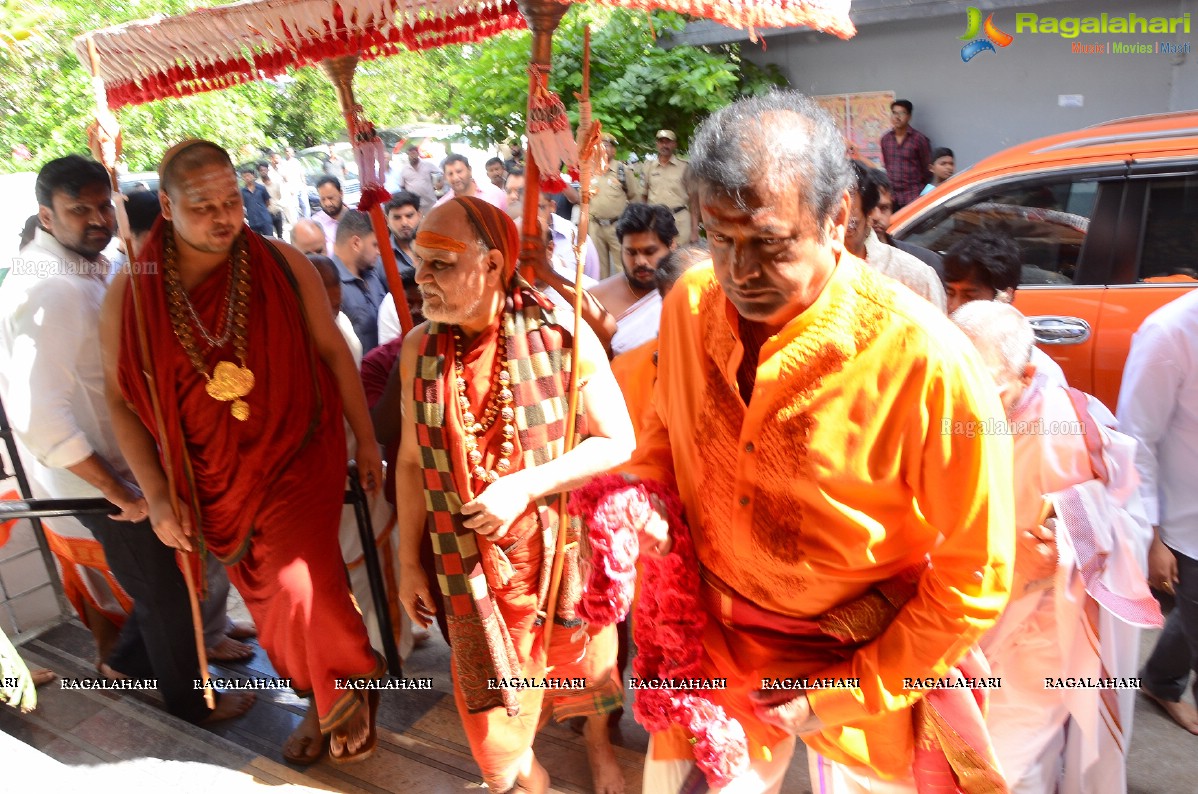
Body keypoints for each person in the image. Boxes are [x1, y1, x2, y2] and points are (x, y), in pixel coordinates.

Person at [614, 92, 1014, 792]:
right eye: (719, 238)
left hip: (864, 656)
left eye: (769, 243)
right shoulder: (688, 306)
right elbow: (662, 437)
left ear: (837, 221)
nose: (739, 272)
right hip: (709, 640)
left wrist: (848, 692)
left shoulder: (925, 360)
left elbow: (973, 578)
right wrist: (638, 506)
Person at [100, 140, 384, 764]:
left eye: (231, 200)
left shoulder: (280, 261)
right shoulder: (135, 291)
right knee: (269, 601)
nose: (224, 216)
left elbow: (335, 354)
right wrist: (158, 495)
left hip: (298, 446)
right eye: (203, 206)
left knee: (297, 581)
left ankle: (333, 695)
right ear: (169, 209)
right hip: (211, 474)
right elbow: (122, 402)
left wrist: (364, 439)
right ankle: (334, 679)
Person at [0, 154, 254, 724]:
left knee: (161, 571)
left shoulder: (85, 265)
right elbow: (38, 417)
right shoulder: (51, 290)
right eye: (78, 210)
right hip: (97, 476)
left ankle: (125, 664)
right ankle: (191, 704)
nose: (96, 220)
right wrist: (119, 490)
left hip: (124, 463)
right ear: (45, 215)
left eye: (101, 206)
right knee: (163, 585)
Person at [395, 196, 635, 794]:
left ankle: (599, 749)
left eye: (440, 265)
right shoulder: (420, 350)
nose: (420, 278)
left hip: (556, 554)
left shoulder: (562, 335)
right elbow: (408, 461)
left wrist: (523, 487)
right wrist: (405, 561)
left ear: (494, 263)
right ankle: (529, 778)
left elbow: (618, 442)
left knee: (584, 665)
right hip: (467, 566)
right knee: (492, 719)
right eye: (417, 261)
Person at [954, 301, 1159, 794]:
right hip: (959, 617)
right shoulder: (946, 405)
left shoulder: (1071, 429)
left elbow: (1126, 515)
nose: (970, 402)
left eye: (988, 389)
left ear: (1025, 375)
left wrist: (1068, 539)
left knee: (1008, 767)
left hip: (1042, 624)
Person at [1117, 287, 1198, 735]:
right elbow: (1137, 438)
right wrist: (1153, 534)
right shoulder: (1170, 332)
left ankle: (1161, 681)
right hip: (1185, 524)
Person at [943, 229, 1067, 386]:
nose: (954, 306)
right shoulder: (935, 350)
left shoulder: (1043, 375)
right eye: (950, 293)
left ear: (1004, 296)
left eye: (969, 296)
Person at [844, 161, 945, 311]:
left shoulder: (913, 277)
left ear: (870, 213)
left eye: (848, 226)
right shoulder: (806, 277)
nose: (835, 235)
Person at [590, 203, 678, 356]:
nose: (640, 261)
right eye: (631, 252)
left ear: (671, 246)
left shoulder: (689, 288)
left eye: (650, 251)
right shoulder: (596, 299)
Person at [505, 169, 600, 282]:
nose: (533, 215)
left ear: (552, 207)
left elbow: (591, 283)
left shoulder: (577, 238)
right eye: (526, 209)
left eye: (539, 207)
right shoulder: (509, 236)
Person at [866, 168, 943, 276]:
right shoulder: (839, 264)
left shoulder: (926, 262)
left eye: (884, 208)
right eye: (869, 208)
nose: (876, 216)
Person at [330, 209, 388, 354]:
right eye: (375, 245)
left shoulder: (372, 274)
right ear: (356, 243)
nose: (379, 252)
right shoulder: (330, 285)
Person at [588, 133, 641, 279]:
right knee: (598, 267)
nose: (603, 149)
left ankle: (625, 296)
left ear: (614, 151)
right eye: (600, 146)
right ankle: (601, 299)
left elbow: (634, 198)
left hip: (617, 225)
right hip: (595, 226)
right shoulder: (589, 170)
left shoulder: (622, 171)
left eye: (607, 146)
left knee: (623, 265)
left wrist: (633, 224)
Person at [641, 130, 697, 245]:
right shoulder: (649, 167)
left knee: (682, 258)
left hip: (680, 219)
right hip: (657, 220)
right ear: (657, 144)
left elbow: (694, 200)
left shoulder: (684, 167)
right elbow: (643, 197)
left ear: (674, 144)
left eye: (668, 142)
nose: (664, 145)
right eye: (661, 142)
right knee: (658, 258)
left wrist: (694, 230)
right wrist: (644, 223)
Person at [880, 99, 931, 210]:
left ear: (909, 116)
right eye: (894, 113)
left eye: (902, 113)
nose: (897, 117)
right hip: (892, 197)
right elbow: (887, 165)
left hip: (913, 196)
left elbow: (928, 170)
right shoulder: (885, 139)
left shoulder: (919, 139)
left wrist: (922, 194)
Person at [433, 154, 507, 211]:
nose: (455, 178)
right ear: (445, 177)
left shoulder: (494, 193)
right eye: (450, 174)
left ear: (470, 170)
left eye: (459, 171)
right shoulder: (442, 207)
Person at [397, 144, 441, 212]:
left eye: (414, 153)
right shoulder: (404, 169)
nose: (412, 156)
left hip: (430, 203)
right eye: (410, 154)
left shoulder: (427, 165)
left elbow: (440, 173)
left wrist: (439, 182)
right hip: (415, 205)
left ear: (417, 154)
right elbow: (402, 186)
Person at [313, 175, 347, 255]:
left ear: (341, 193)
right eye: (323, 199)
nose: (327, 203)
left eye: (331, 198)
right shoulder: (315, 224)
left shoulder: (358, 215)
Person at [239, 166, 274, 237]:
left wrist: (261, 209)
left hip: (265, 220)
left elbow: (267, 202)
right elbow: (243, 205)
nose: (247, 178)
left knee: (270, 241)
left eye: (248, 175)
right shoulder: (242, 192)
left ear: (253, 176)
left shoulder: (261, 188)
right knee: (257, 242)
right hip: (252, 222)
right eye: (244, 176)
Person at [278, 146, 308, 224]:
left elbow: (302, 173)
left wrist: (304, 184)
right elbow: (284, 177)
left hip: (300, 186)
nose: (289, 153)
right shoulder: (283, 163)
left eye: (291, 151)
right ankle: (299, 224)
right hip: (291, 189)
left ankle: (308, 222)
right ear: (285, 152)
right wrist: (289, 188)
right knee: (295, 207)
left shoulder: (296, 161)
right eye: (287, 151)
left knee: (305, 205)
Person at [258, 159, 284, 238]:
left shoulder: (275, 182)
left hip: (277, 211)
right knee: (270, 237)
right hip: (266, 214)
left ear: (268, 170)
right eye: (261, 170)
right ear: (258, 172)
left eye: (264, 169)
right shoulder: (258, 185)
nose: (263, 171)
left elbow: (279, 196)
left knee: (280, 236)